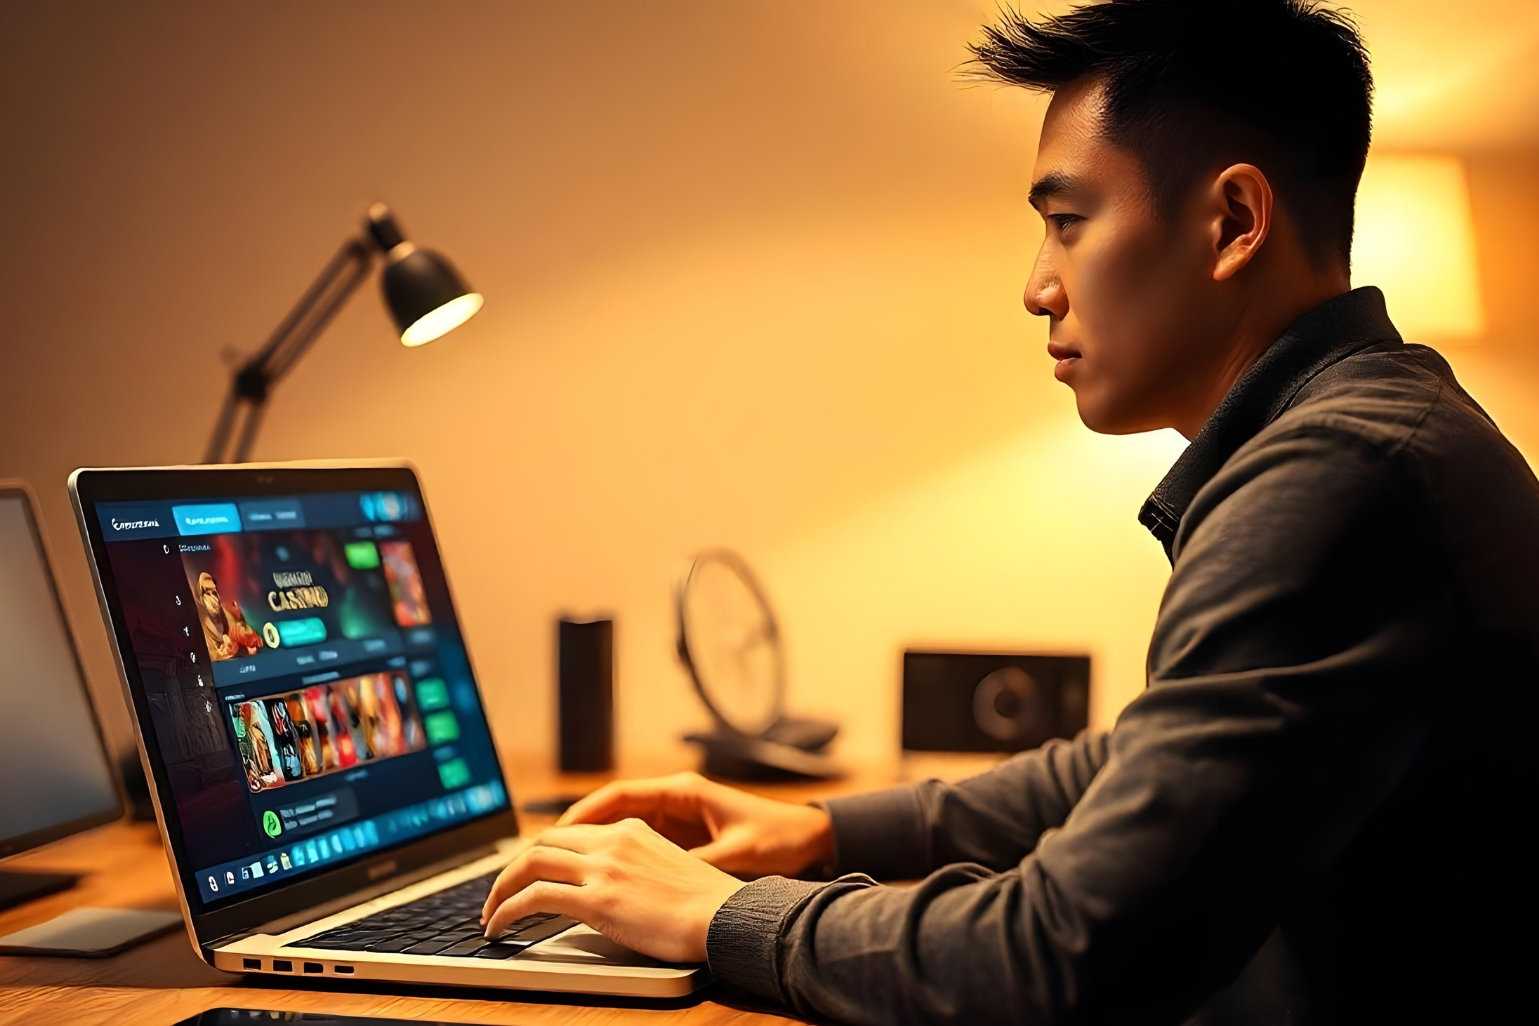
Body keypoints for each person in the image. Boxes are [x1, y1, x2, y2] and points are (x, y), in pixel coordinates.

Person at [479, 1, 1537, 1022]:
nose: (1039, 286)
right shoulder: (1369, 433)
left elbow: (1062, 956)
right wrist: (815, 828)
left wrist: (718, 915)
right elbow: (1132, 772)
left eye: (1068, 224)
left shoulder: (1334, 474)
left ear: (1233, 222)